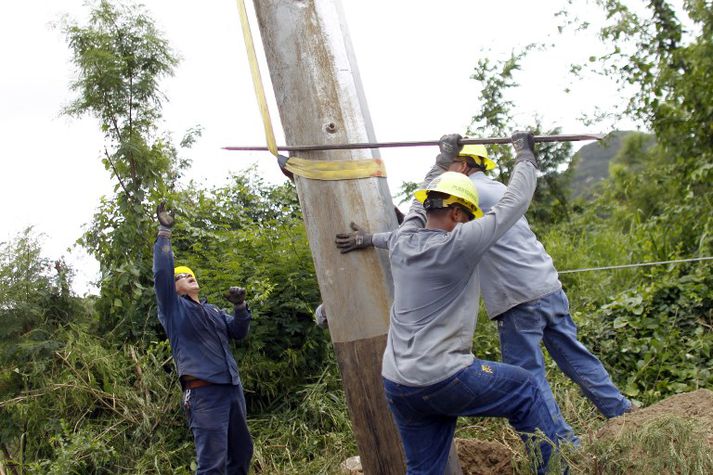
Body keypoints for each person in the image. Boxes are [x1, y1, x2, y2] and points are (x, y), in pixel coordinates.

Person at [336, 132, 563, 474]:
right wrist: (525, 155)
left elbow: (417, 201)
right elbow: (513, 204)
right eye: (471, 215)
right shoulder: (459, 244)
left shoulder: (404, 240)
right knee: (525, 387)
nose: (473, 221)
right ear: (457, 214)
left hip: (399, 384)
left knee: (424, 469)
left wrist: (444, 159)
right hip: (445, 377)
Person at [447, 145, 634, 438]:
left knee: (528, 377)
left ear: (461, 166)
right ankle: (622, 411)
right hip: (547, 285)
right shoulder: (496, 189)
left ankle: (558, 443)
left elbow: (428, 227)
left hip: (517, 298)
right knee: (576, 357)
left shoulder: (467, 193)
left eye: (449, 162)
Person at [153, 203, 253, 475]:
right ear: (173, 288)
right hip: (204, 393)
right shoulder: (173, 309)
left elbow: (239, 332)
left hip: (232, 388)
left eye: (190, 275)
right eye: (181, 277)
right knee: (212, 463)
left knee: (242, 453)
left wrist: (241, 307)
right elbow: (162, 273)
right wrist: (164, 232)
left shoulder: (212, 311)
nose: (187, 277)